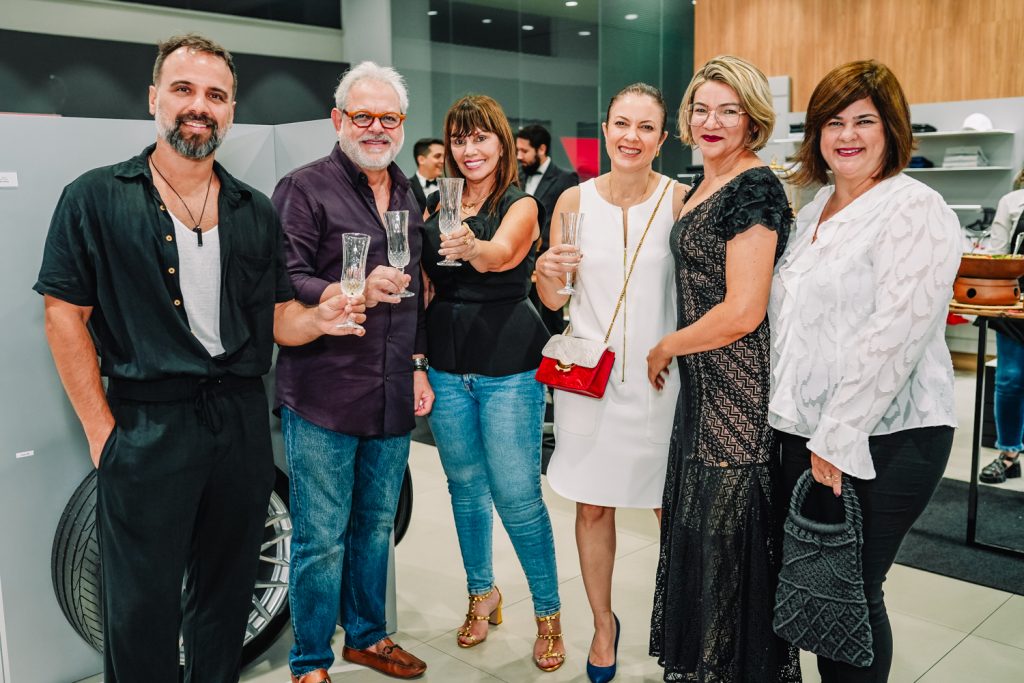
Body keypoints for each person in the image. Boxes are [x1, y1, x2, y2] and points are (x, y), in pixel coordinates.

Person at [33, 34, 366, 683]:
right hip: (147, 426)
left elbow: (277, 318)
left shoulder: (254, 210)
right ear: (155, 97)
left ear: (231, 110)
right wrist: (103, 435)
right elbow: (62, 317)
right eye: (184, 89)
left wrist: (318, 316)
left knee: (225, 598)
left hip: (240, 424)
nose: (199, 106)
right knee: (139, 610)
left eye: (215, 95)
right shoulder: (95, 198)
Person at [770, 60, 961, 682]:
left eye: (864, 121)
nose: (846, 135)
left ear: (891, 128)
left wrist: (838, 435)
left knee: (848, 589)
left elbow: (895, 335)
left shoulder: (916, 208)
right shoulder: (817, 204)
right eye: (833, 122)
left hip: (889, 436)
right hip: (805, 430)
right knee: (813, 586)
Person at [272, 62, 432, 683]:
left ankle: (367, 635)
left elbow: (415, 290)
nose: (375, 128)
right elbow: (284, 279)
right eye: (361, 116)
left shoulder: (410, 192)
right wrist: (350, 286)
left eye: (388, 118)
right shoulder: (304, 187)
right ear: (338, 120)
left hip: (391, 386)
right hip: (324, 390)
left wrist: (417, 364)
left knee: (375, 525)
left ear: (400, 125)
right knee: (320, 536)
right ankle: (309, 659)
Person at [646, 55, 801, 682]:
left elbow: (744, 309)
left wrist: (667, 345)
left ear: (752, 119)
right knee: (706, 545)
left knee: (728, 547)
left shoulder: (755, 187)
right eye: (702, 108)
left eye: (729, 110)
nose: (712, 121)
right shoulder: (702, 182)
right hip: (702, 392)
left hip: (736, 391)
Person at [535, 83, 687, 683]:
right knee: (593, 505)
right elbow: (556, 298)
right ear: (604, 129)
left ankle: (683, 628)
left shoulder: (681, 200)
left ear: (662, 139)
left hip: (661, 382)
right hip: (587, 381)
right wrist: (546, 275)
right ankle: (603, 625)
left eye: (645, 127)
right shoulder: (572, 201)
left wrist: (676, 346)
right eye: (621, 123)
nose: (631, 137)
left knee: (669, 510)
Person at [422, 94, 565, 673]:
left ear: (502, 143)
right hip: (446, 366)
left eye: (480, 138)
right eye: (459, 139)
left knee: (518, 497)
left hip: (509, 368)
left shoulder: (522, 204)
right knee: (464, 489)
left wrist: (470, 246)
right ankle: (482, 594)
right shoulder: (437, 204)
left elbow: (501, 256)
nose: (469, 149)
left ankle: (549, 615)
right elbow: (428, 282)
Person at [979, 167, 1024, 484]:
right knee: (1010, 380)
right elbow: (997, 255)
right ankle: (1009, 454)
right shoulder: (1013, 201)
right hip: (1016, 303)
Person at [517, 124, 579, 334]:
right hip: (521, 262)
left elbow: (564, 223)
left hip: (551, 265)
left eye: (524, 151)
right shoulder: (518, 176)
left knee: (550, 324)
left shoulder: (565, 178)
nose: (519, 156)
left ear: (541, 149)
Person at [409, 136, 444, 214]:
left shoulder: (448, 186)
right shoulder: (405, 188)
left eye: (444, 157)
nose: (443, 161)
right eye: (437, 156)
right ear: (421, 160)